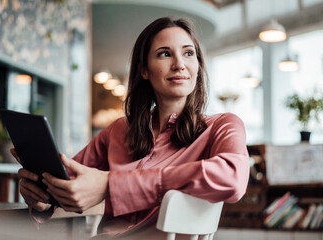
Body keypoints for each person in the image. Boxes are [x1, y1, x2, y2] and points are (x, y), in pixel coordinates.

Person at [13, 17, 250, 239]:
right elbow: (69, 181)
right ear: (144, 70)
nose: (179, 64)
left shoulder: (223, 125)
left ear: (198, 65)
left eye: (189, 53)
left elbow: (232, 177)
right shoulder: (118, 131)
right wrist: (42, 199)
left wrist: (111, 185)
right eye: (165, 54)